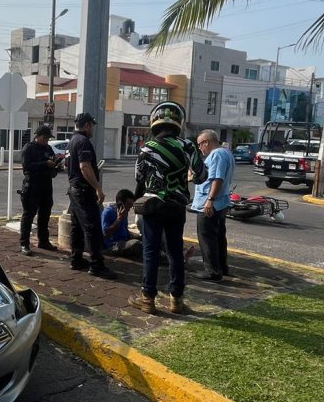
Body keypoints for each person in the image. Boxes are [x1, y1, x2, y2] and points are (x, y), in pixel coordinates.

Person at [127, 102, 204, 315]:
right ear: (177, 121)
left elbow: (138, 178)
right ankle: (176, 300)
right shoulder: (187, 146)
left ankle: (148, 299)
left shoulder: (147, 147)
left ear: (155, 120)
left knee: (150, 251)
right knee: (175, 252)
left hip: (153, 206)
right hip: (176, 206)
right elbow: (202, 175)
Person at [65, 112, 117, 279]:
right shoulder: (83, 141)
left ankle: (76, 259)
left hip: (74, 190)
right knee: (92, 227)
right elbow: (85, 167)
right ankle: (96, 265)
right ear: (87, 125)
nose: (93, 129)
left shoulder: (72, 141)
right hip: (83, 191)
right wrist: (98, 188)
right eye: (92, 125)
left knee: (77, 227)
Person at [191, 129, 235, 282]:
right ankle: (222, 267)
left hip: (210, 204)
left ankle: (212, 271)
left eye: (199, 144)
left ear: (206, 142)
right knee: (219, 237)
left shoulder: (216, 154)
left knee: (207, 237)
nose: (199, 148)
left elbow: (217, 179)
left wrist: (210, 200)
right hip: (221, 203)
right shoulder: (226, 153)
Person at [18, 124, 60, 255]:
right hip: (32, 185)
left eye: (48, 139)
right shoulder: (29, 148)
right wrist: (44, 164)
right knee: (29, 215)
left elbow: (52, 166)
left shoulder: (48, 148)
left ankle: (44, 241)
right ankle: (24, 244)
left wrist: (56, 166)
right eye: (45, 138)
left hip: (46, 185)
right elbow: (26, 167)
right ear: (38, 136)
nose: (46, 141)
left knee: (45, 215)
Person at [101, 189, 142, 259]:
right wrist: (119, 219)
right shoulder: (108, 212)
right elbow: (105, 234)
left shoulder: (124, 212)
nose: (129, 210)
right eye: (128, 206)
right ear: (121, 204)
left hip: (125, 240)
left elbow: (123, 229)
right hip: (113, 245)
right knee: (135, 244)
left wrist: (133, 235)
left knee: (147, 237)